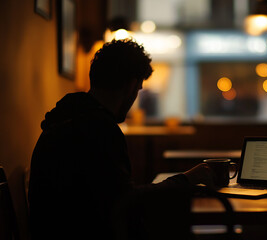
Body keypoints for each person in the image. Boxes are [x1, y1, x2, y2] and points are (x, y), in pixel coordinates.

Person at [29, 39, 214, 240]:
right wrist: (187, 179)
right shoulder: (99, 129)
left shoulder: (66, 117)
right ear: (131, 86)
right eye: (138, 89)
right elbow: (126, 202)